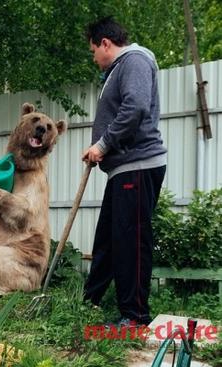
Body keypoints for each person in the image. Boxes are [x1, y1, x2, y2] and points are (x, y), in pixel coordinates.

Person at [81, 17, 167, 327]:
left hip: (138, 166)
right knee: (108, 238)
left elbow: (136, 108)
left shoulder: (135, 61)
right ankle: (89, 300)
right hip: (123, 169)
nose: (94, 58)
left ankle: (135, 316)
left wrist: (102, 146)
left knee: (131, 242)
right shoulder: (119, 69)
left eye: (93, 50)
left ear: (106, 43)